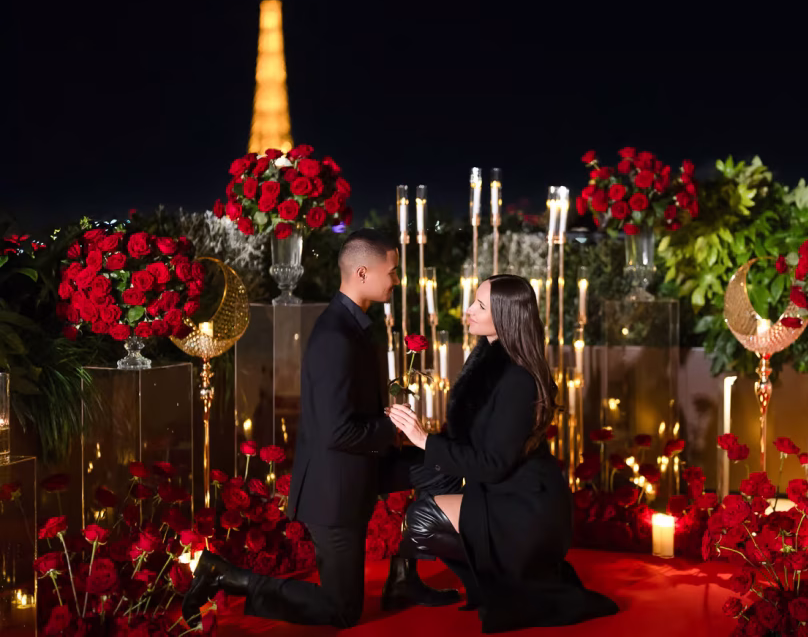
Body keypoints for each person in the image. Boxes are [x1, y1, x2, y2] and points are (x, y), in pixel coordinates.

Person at [182, 228, 463, 628]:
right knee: (341, 610)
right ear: (363, 273)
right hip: (335, 489)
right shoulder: (336, 336)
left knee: (443, 466)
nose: (398, 280)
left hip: (363, 465)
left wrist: (398, 427)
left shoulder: (356, 326)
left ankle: (403, 578)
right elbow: (338, 433)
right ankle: (228, 577)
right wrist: (394, 427)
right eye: (393, 271)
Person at [387, 274, 619, 633]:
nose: (469, 310)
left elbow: (493, 464)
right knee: (428, 476)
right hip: (503, 489)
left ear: (506, 316)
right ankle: (443, 582)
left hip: (525, 505)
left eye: (480, 306)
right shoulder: (487, 360)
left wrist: (424, 439)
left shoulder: (517, 379)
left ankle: (498, 585)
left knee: (422, 519)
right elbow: (472, 441)